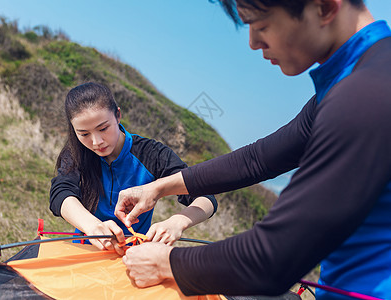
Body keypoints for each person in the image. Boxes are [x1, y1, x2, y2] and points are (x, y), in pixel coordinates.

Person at [117, 0, 391, 299]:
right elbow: (258, 160)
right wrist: (158, 188)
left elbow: (273, 258)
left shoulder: (366, 94)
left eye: (261, 26)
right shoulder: (359, 77)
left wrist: (168, 263)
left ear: (324, 7)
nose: (252, 42)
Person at [49, 82, 217, 256]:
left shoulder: (152, 154)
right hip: (85, 254)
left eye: (103, 128)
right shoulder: (76, 152)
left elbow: (205, 196)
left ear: (118, 115)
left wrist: (177, 222)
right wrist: (93, 227)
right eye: (84, 134)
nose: (96, 141)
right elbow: (60, 194)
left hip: (134, 257)